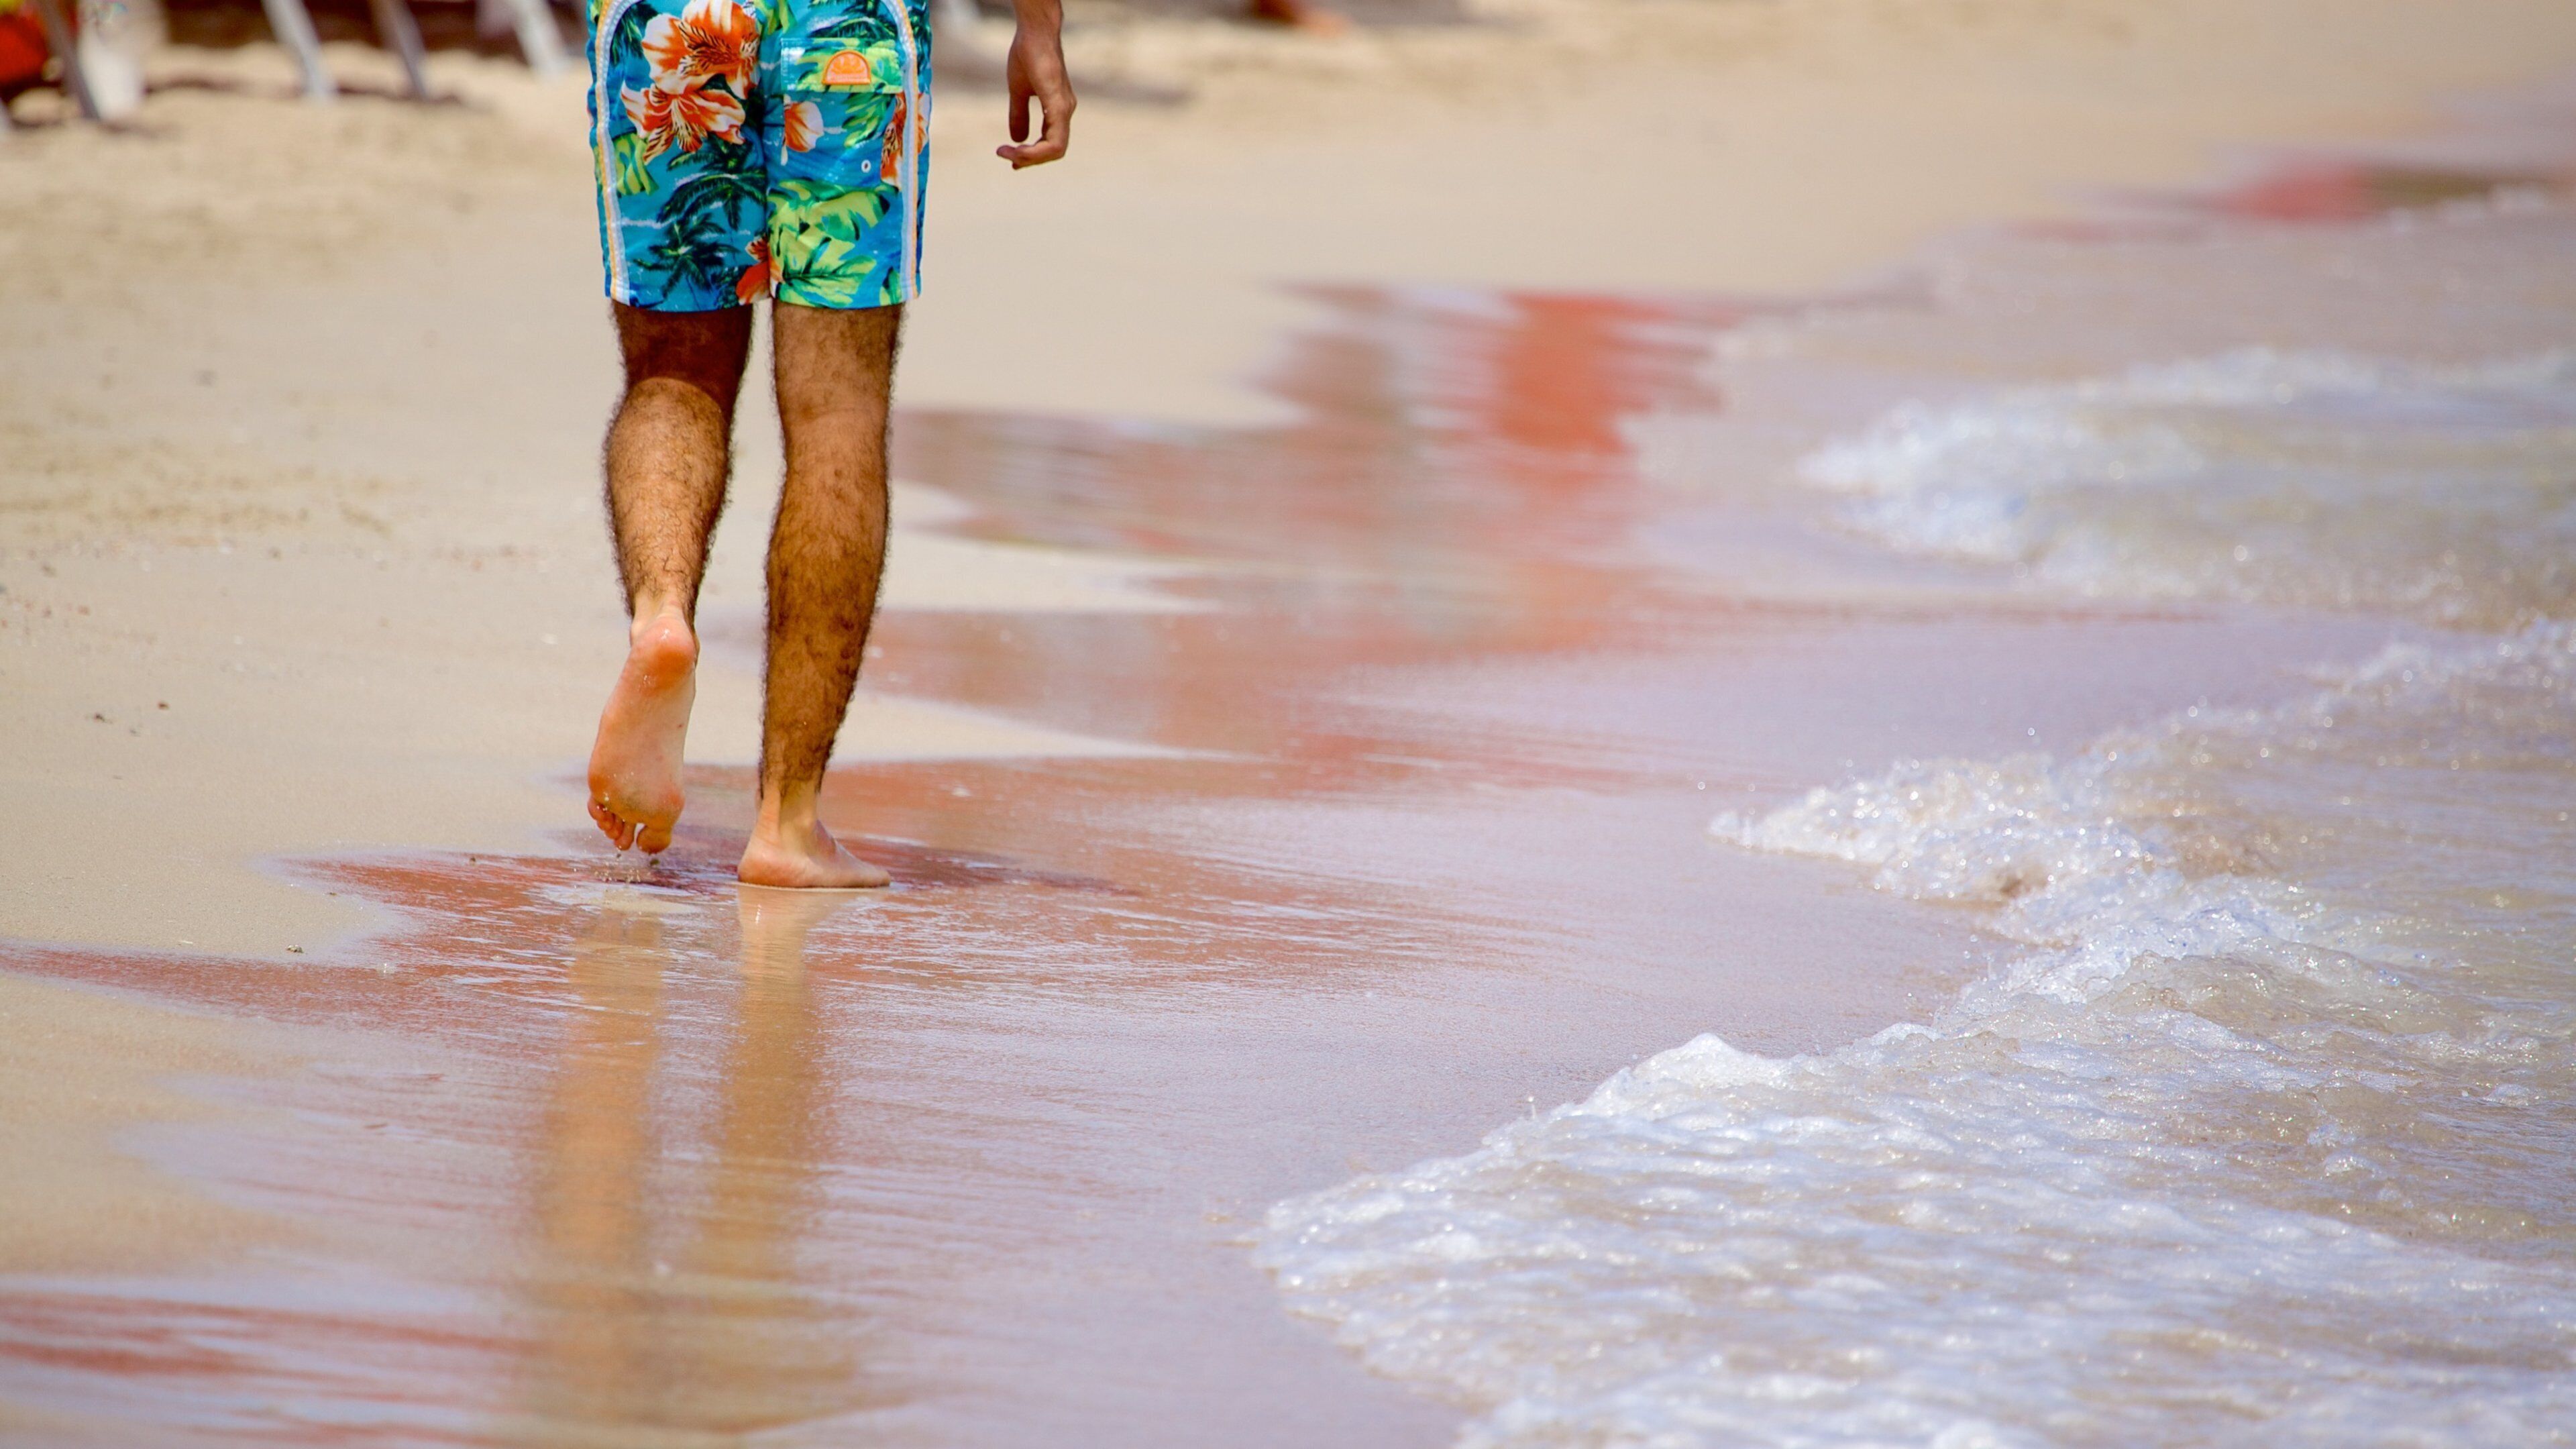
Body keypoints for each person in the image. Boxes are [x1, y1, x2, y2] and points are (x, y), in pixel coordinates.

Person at [580, 0, 1073, 888]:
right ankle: (786, 823)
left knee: (672, 374)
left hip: (668, 22)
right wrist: (1039, 26)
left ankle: (663, 616)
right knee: (836, 414)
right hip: (848, 29)